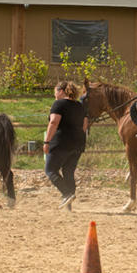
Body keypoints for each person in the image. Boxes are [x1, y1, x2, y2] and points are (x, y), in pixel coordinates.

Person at [44, 80, 88, 210]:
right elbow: (85, 126)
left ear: (61, 91)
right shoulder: (80, 106)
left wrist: (47, 141)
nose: (55, 94)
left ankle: (66, 193)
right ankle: (69, 204)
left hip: (61, 142)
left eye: (55, 91)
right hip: (78, 144)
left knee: (51, 170)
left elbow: (53, 122)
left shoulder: (59, 104)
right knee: (68, 171)